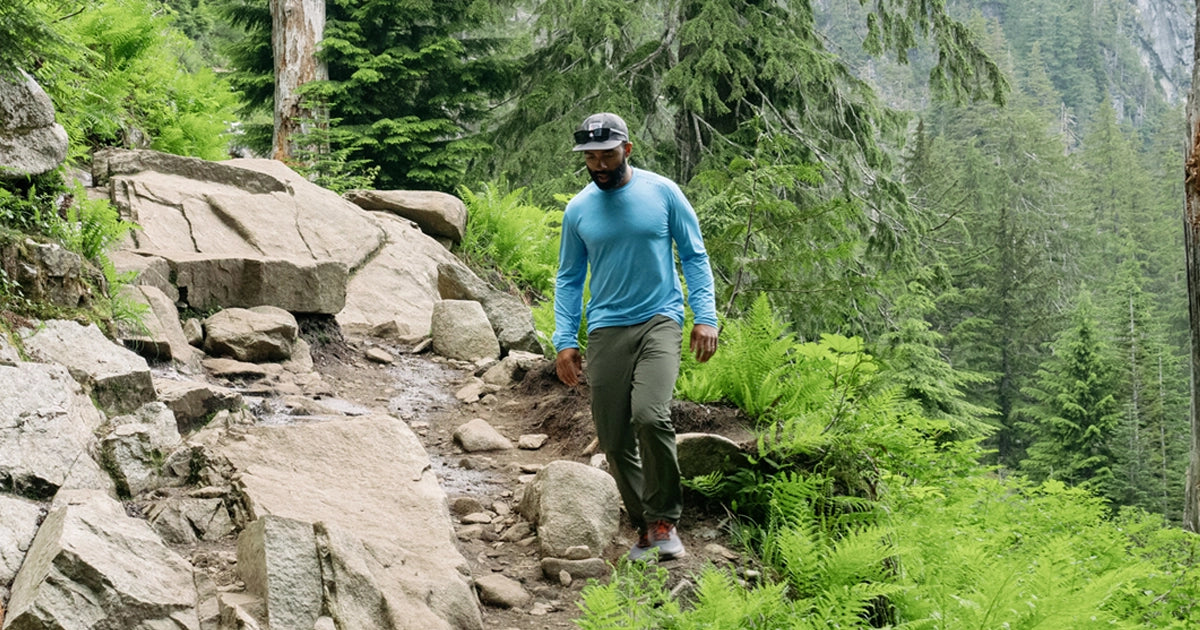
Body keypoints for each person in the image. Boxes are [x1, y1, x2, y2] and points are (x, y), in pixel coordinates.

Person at [552, 112, 719, 561]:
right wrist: (564, 340)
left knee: (649, 415)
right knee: (613, 438)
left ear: (627, 149)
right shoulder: (579, 209)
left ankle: (665, 518)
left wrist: (706, 317)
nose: (600, 164)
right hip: (606, 328)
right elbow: (569, 278)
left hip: (659, 319)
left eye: (608, 154)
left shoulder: (662, 192)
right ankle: (645, 525)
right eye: (591, 157)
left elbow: (695, 256)